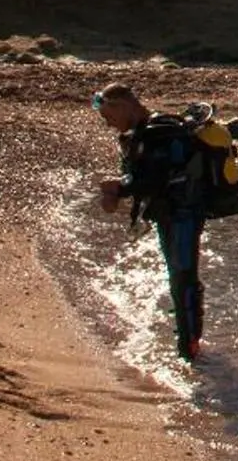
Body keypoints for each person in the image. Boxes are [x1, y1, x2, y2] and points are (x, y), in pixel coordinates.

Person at [92, 84, 217, 361]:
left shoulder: (158, 132)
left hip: (183, 213)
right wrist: (119, 189)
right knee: (180, 278)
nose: (109, 124)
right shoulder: (141, 135)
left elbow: (154, 179)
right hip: (169, 214)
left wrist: (119, 188)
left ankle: (190, 351)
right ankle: (190, 343)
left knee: (183, 278)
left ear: (122, 105)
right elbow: (144, 178)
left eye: (108, 117)